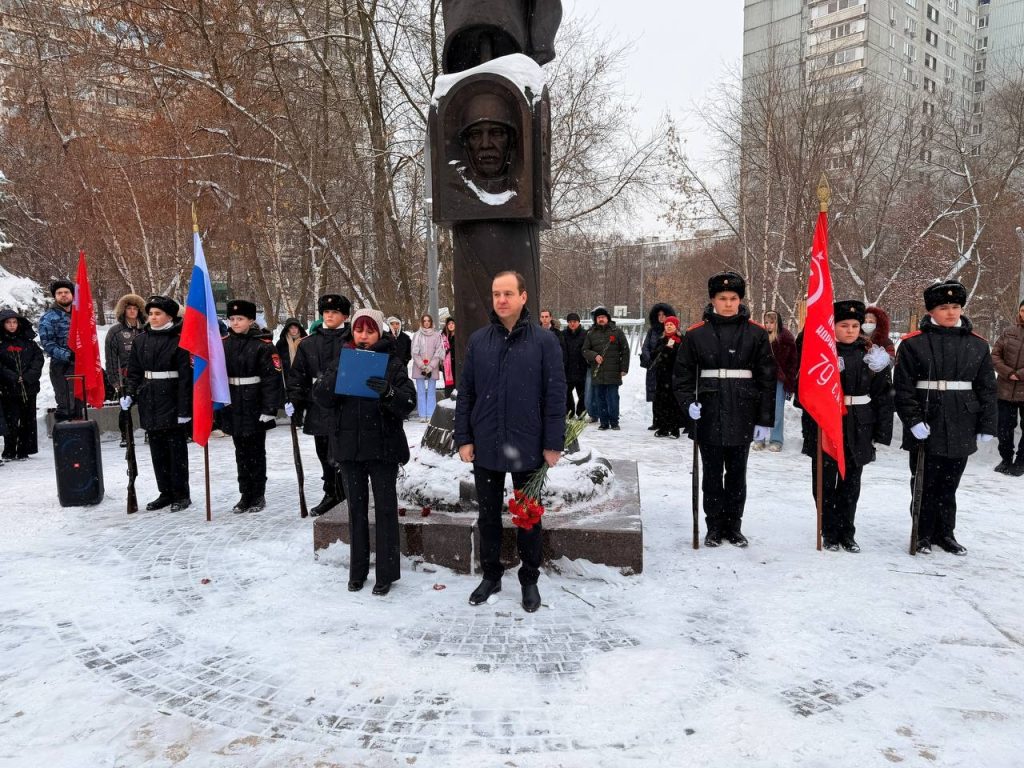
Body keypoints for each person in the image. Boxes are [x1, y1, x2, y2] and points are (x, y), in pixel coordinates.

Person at [455, 270, 565, 613]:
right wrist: (464, 437)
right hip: (486, 444)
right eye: (495, 294)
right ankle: (491, 574)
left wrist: (553, 443)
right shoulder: (478, 341)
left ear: (523, 297)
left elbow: (555, 395)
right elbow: (466, 394)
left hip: (529, 445)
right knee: (488, 516)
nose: (501, 300)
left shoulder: (545, 342)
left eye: (507, 293)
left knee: (528, 517)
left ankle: (529, 578)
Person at [316, 309, 416, 595]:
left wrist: (388, 393)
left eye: (369, 330)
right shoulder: (341, 359)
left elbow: (407, 402)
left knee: (385, 511)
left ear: (379, 333)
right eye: (359, 330)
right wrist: (334, 381)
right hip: (349, 449)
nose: (363, 336)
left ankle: (386, 573)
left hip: (383, 448)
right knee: (356, 510)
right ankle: (357, 571)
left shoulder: (393, 363)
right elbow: (322, 398)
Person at [894, 281, 997, 555]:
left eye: (955, 307)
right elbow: (903, 389)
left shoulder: (978, 345)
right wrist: (913, 420)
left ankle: (945, 534)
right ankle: (922, 533)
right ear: (931, 311)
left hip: (962, 419)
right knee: (924, 482)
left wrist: (987, 423)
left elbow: (987, 387)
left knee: (950, 484)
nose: (951, 312)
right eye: (944, 307)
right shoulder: (913, 344)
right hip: (928, 421)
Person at [673, 271, 776, 547]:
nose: (728, 303)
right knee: (712, 474)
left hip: (743, 412)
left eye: (733, 298)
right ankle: (714, 527)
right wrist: (687, 404)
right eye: (723, 298)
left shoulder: (756, 333)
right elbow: (682, 376)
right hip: (709, 412)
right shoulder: (696, 335)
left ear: (740, 300)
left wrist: (764, 419)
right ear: (713, 300)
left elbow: (767, 378)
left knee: (737, 474)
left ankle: (734, 526)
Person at [797, 300, 894, 552]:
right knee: (825, 482)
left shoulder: (872, 355)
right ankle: (828, 530)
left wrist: (881, 433)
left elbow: (884, 396)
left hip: (860, 423)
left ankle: (847, 531)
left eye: (855, 325)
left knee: (851, 482)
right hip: (827, 424)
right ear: (832, 327)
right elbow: (803, 395)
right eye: (843, 325)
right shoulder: (820, 354)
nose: (850, 330)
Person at [122, 295, 193, 511]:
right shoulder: (141, 340)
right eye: (151, 313)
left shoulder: (181, 340)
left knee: (176, 451)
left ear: (169, 316)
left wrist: (184, 408)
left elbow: (186, 378)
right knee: (157, 451)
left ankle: (181, 494)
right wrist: (130, 393)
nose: (152, 317)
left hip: (171, 398)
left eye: (157, 314)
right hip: (149, 399)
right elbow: (134, 371)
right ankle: (166, 492)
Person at [286, 293, 351, 516]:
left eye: (335, 312)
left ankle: (349, 492)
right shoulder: (308, 343)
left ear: (344, 315)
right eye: (326, 312)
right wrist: (295, 404)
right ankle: (332, 492)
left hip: (347, 404)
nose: (330, 315)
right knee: (324, 453)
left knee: (345, 453)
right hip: (319, 405)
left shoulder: (352, 340)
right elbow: (298, 377)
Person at [218, 300, 284, 514]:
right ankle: (245, 494)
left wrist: (269, 408)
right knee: (240, 452)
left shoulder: (262, 345)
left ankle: (258, 494)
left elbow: (271, 379)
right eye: (232, 319)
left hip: (254, 404)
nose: (235, 322)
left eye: (240, 319)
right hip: (233, 403)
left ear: (251, 320)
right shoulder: (223, 343)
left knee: (256, 452)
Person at [0, 309, 44, 461]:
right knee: (11, 420)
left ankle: (24, 449)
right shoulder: (1, 343)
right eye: (8, 323)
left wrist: (27, 377)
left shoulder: (28, 342)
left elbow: (38, 360)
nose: (12, 325)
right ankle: (9, 449)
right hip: (8, 388)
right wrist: (12, 377)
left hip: (28, 387)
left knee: (28, 419)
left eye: (14, 322)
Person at [104, 293, 146, 447]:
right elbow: (111, 358)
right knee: (125, 408)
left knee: (148, 406)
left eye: (135, 308)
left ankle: (149, 432)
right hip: (126, 377)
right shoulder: (115, 332)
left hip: (146, 376)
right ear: (123, 310)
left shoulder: (147, 329)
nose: (132, 311)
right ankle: (126, 436)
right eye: (129, 308)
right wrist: (114, 380)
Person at [757, 310, 798, 452]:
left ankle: (776, 440)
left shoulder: (786, 337)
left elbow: (793, 362)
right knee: (760, 409)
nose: (768, 325)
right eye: (766, 322)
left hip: (778, 379)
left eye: (771, 322)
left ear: (777, 322)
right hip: (762, 378)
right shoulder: (760, 336)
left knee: (777, 411)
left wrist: (790, 382)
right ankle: (759, 438)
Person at [582, 306, 628, 430]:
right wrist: (594, 356)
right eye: (598, 318)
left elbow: (625, 351)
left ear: (607, 318)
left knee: (613, 398)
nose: (601, 319)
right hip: (598, 372)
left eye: (603, 317)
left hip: (613, 371)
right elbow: (585, 350)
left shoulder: (617, 332)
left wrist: (624, 368)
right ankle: (604, 422)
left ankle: (614, 422)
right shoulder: (591, 333)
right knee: (600, 398)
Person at [992, 299, 1024, 476]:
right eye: (1022, 310)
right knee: (1003, 427)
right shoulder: (1008, 332)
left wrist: (1019, 374)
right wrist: (1008, 372)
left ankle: (1021, 462)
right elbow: (995, 355)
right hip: (1005, 389)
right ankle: (1006, 458)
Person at [39, 279, 77, 423]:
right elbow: (47, 343)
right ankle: (65, 439)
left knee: (80, 403)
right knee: (66, 404)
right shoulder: (48, 318)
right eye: (59, 293)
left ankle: (82, 439)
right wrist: (68, 355)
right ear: (55, 296)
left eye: (66, 292)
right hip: (62, 367)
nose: (63, 295)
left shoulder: (80, 315)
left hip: (81, 365)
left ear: (72, 295)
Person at [639, 302, 677, 430]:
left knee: (668, 396)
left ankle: (671, 422)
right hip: (653, 367)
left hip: (667, 369)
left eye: (664, 314)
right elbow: (646, 347)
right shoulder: (652, 331)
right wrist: (649, 359)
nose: (661, 317)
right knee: (655, 395)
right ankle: (656, 421)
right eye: (659, 315)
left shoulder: (673, 332)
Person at [651, 315, 685, 438]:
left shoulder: (681, 341)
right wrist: (665, 349)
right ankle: (663, 427)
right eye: (667, 325)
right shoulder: (661, 340)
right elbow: (654, 355)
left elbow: (683, 358)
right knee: (661, 403)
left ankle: (674, 428)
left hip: (674, 377)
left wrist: (672, 349)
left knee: (673, 403)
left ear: (676, 327)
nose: (669, 326)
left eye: (671, 325)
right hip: (662, 376)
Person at [410, 313, 445, 422]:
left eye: (428, 321)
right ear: (422, 322)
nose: (426, 323)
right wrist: (422, 365)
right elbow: (414, 352)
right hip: (419, 367)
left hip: (432, 367)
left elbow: (438, 352)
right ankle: (422, 414)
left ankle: (430, 414)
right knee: (420, 391)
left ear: (431, 322)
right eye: (424, 321)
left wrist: (430, 366)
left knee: (431, 391)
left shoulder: (436, 335)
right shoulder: (417, 335)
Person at [275, 318, 307, 426]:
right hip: (287, 374)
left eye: (295, 328)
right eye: (291, 328)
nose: (293, 330)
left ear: (299, 329)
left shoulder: (305, 341)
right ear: (287, 329)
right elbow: (276, 359)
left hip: (302, 373)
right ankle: (295, 419)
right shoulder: (282, 343)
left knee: (301, 396)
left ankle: (299, 418)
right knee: (291, 397)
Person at [561, 312, 588, 417]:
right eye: (570, 322)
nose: (572, 324)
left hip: (581, 369)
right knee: (567, 393)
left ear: (578, 322)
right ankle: (570, 412)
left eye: (575, 322)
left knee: (583, 393)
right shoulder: (563, 334)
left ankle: (581, 412)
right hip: (567, 369)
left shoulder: (585, 334)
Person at [441, 316, 457, 399]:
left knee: (457, 383)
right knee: (449, 386)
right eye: (449, 324)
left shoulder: (459, 336)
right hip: (447, 365)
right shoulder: (443, 337)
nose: (451, 325)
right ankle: (448, 399)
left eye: (453, 323)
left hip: (457, 363)